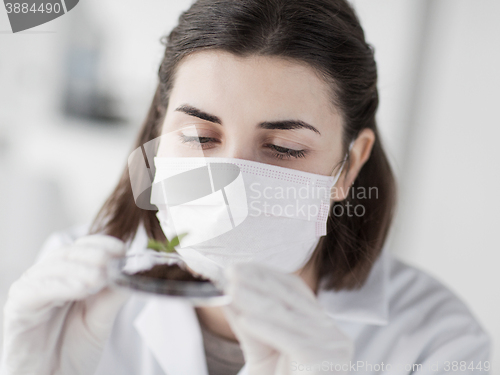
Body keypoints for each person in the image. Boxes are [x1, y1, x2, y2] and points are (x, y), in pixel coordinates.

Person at [0, 0, 491, 374]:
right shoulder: (63, 293)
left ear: (350, 165)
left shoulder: (439, 344)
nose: (228, 189)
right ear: (158, 133)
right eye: (198, 136)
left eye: (282, 148)